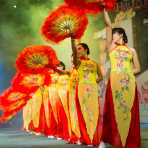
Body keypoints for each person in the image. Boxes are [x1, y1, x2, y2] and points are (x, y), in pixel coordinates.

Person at [102, 9, 141, 148]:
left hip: (128, 83)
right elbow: (108, 25)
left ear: (121, 35)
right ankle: (116, 140)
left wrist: (128, 73)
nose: (112, 36)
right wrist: (104, 9)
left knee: (128, 111)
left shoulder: (132, 51)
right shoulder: (112, 48)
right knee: (115, 110)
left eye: (114, 34)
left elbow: (137, 68)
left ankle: (130, 141)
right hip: (115, 83)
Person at [69, 42, 103, 146]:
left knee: (94, 113)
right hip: (82, 90)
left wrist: (92, 83)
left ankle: (95, 137)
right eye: (76, 49)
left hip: (92, 90)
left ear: (86, 50)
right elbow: (74, 54)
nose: (77, 51)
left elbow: (100, 77)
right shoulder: (78, 63)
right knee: (84, 113)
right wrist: (72, 38)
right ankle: (87, 138)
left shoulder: (94, 63)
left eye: (79, 49)